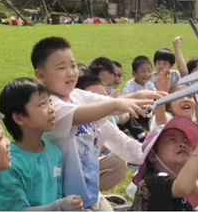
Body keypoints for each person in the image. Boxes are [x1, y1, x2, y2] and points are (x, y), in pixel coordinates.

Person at [31, 37, 158, 211]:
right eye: (61, 68)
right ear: (40, 76)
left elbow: (106, 103)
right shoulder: (48, 106)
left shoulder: (78, 95)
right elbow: (85, 112)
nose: (71, 72)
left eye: (73, 65)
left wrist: (140, 95)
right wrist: (116, 104)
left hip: (90, 193)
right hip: (64, 201)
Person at [0, 78, 83, 211]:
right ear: (19, 118)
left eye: (50, 101)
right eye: (42, 104)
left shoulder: (54, 152)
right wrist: (59, 207)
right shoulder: (8, 163)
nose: (52, 109)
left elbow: (57, 195)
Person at [131, 106, 198, 211]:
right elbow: (184, 188)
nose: (182, 144)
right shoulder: (151, 183)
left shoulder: (180, 199)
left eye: (186, 141)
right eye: (172, 139)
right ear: (152, 156)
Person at [75, 75, 141, 194]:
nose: (102, 104)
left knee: (117, 163)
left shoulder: (103, 123)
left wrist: (158, 154)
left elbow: (128, 147)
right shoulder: (68, 122)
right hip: (59, 183)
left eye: (104, 97)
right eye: (95, 99)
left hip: (83, 182)